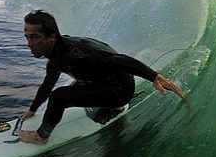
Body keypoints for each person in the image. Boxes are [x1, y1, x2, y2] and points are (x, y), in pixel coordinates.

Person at [19, 10, 185, 145]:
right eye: (27, 37)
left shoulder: (76, 52)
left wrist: (154, 76)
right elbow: (47, 84)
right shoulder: (55, 55)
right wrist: (32, 110)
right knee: (69, 85)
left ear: (52, 37)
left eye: (35, 37)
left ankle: (41, 137)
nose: (29, 43)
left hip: (120, 90)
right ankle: (112, 106)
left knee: (59, 97)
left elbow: (118, 59)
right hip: (103, 82)